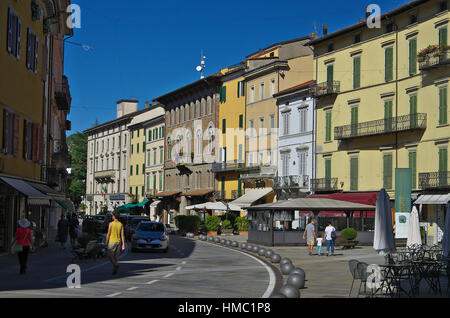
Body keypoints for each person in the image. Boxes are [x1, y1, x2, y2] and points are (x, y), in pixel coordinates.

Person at [105, 210, 125, 275]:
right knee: (116, 257)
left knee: (110, 256)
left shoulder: (111, 224)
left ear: (113, 216)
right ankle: (114, 269)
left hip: (112, 242)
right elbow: (122, 235)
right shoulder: (120, 224)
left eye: (112, 215)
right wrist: (123, 245)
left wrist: (106, 243)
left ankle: (115, 265)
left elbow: (108, 234)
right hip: (118, 242)